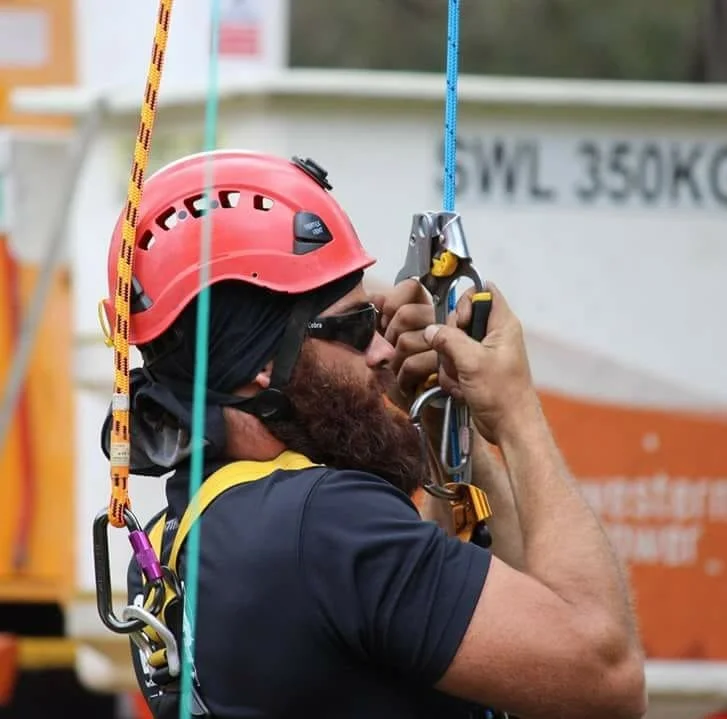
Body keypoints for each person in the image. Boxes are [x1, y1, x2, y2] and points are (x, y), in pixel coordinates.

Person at [100, 150, 647, 719]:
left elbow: (519, 628)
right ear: (259, 360)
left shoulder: (185, 533)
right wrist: (516, 413)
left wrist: (446, 434)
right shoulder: (325, 526)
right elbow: (604, 677)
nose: (384, 351)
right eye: (357, 327)